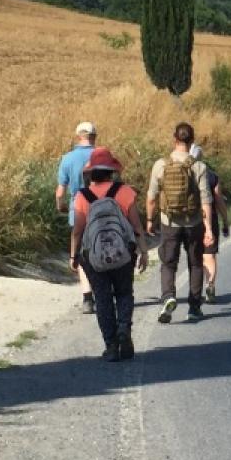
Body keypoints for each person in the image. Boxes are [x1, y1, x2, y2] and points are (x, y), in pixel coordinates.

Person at [69, 148, 146, 361]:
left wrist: (74, 256)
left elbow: (77, 230)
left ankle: (111, 346)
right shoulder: (125, 191)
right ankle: (124, 329)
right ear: (111, 171)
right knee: (123, 292)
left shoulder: (82, 197)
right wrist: (143, 250)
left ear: (91, 173)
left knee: (102, 298)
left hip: (93, 257)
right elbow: (136, 225)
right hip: (123, 253)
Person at [146, 121, 214, 324]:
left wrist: (150, 220)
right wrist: (208, 228)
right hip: (193, 223)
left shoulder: (161, 165)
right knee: (195, 263)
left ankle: (168, 297)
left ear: (174, 139)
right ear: (192, 140)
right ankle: (194, 307)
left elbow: (151, 197)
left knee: (168, 263)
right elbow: (206, 200)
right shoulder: (199, 166)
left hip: (170, 222)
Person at [56, 120, 97, 312]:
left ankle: (87, 297)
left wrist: (61, 206)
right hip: (100, 207)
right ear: (93, 137)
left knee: (80, 252)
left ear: (78, 136)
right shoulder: (100, 155)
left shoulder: (67, 158)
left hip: (77, 208)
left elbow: (59, 192)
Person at [189, 142, 231, 302]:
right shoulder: (212, 175)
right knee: (209, 255)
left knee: (194, 257)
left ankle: (195, 292)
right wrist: (225, 221)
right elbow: (219, 200)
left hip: (189, 220)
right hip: (210, 217)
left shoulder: (181, 173)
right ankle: (210, 285)